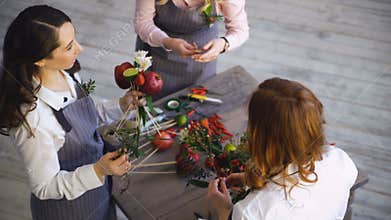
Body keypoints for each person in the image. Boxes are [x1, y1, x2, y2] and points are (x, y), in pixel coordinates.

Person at [0, 5, 144, 220]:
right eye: (69, 47)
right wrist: (97, 171)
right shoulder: (33, 119)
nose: (80, 49)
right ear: (40, 60)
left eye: (75, 39)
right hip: (69, 211)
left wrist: (120, 106)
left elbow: (85, 116)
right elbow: (45, 187)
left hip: (99, 190)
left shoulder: (66, 73)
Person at [207, 78, 358, 220]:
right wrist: (254, 179)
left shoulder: (251, 212)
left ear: (262, 139)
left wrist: (224, 211)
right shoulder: (340, 160)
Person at [134, 0, 249, 99]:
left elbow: (240, 29)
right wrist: (168, 41)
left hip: (201, 62)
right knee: (152, 106)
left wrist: (223, 43)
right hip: (156, 53)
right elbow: (142, 22)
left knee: (196, 104)